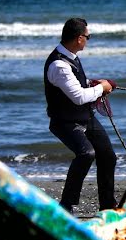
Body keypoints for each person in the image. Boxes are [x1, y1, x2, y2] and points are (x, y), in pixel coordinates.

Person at [44, 18, 118, 212]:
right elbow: (78, 97)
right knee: (86, 154)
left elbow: (78, 83)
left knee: (108, 156)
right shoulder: (59, 65)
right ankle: (66, 205)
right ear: (79, 39)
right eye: (88, 36)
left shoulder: (71, 57)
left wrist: (93, 83)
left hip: (85, 117)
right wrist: (102, 88)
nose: (88, 40)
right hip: (65, 122)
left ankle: (107, 206)